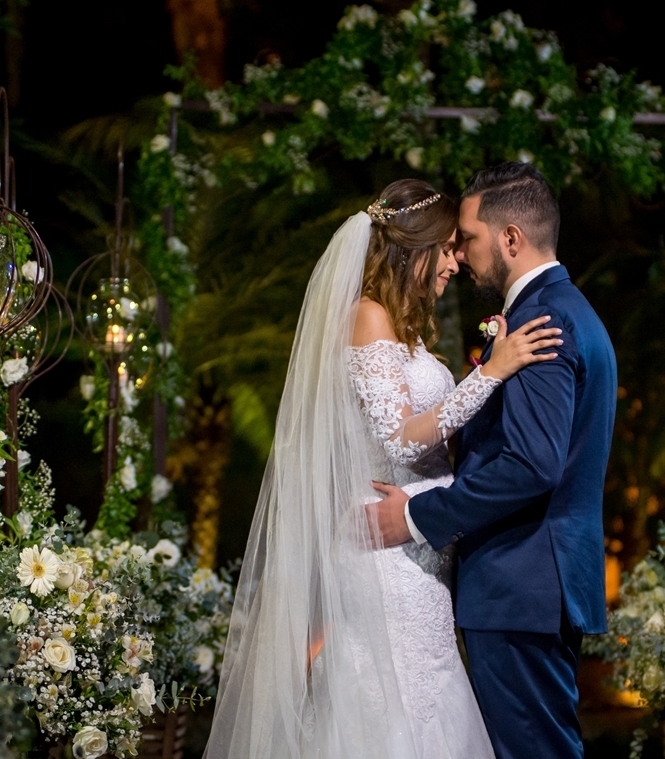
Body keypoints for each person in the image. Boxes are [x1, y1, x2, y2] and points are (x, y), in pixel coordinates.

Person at [204, 178, 563, 759]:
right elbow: (397, 439)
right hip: (382, 547)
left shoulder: (410, 328)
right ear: (412, 249)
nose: (455, 262)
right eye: (447, 248)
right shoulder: (366, 316)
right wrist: (491, 373)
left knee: (426, 684)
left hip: (417, 544)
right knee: (389, 694)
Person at [369, 162, 618, 759]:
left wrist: (417, 517)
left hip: (520, 582)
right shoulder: (565, 307)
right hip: (534, 581)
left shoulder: (543, 319)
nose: (460, 256)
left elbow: (532, 465)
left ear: (510, 239)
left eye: (470, 239)